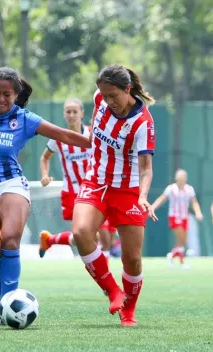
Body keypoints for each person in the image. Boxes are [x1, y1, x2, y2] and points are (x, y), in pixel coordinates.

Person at [0, 67, 91, 325]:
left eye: (7, 95)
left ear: (15, 95)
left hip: (11, 183)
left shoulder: (25, 119)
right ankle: (6, 299)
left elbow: (64, 135)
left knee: (10, 239)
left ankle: (3, 303)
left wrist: (98, 143)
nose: (1, 99)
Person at [71, 64, 157, 327]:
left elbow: (145, 168)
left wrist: (143, 196)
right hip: (95, 181)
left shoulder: (143, 122)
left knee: (132, 258)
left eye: (113, 96)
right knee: (81, 233)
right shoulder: (99, 99)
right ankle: (112, 290)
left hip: (128, 190)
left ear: (127, 89)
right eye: (104, 95)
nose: (108, 101)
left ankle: (128, 311)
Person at [37, 98, 116, 261]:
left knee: (104, 236)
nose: (72, 115)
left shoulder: (93, 134)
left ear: (82, 113)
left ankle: (50, 240)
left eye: (75, 111)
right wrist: (45, 175)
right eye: (68, 111)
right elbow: (44, 158)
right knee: (88, 238)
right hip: (72, 192)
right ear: (64, 115)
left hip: (96, 190)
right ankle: (50, 240)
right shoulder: (58, 138)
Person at [151, 169, 203, 269]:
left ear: (185, 178)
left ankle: (173, 256)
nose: (181, 179)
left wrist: (198, 213)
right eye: (179, 177)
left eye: (183, 177)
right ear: (176, 178)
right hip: (174, 216)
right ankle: (180, 261)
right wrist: (152, 207)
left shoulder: (189, 189)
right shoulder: (171, 188)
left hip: (185, 217)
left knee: (182, 241)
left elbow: (194, 202)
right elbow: (162, 199)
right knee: (181, 239)